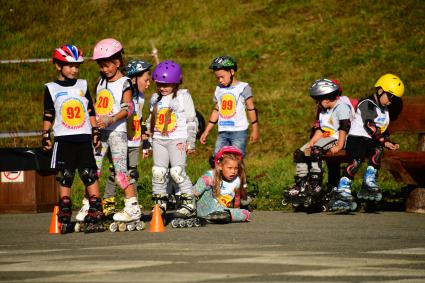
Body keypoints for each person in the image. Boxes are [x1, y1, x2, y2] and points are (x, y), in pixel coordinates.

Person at [42, 44, 103, 233]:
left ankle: (95, 212)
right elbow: (48, 113)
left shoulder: (82, 85)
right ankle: (65, 211)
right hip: (63, 138)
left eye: (77, 66)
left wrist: (95, 131)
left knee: (89, 174)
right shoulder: (51, 88)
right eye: (69, 65)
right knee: (66, 176)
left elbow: (91, 109)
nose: (74, 70)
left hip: (84, 137)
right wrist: (45, 134)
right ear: (58, 66)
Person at [330, 74, 405, 212]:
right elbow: (369, 125)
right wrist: (383, 141)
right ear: (381, 91)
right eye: (391, 97)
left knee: (378, 151)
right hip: (356, 138)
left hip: (370, 140)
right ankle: (342, 190)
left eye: (394, 99)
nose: (391, 102)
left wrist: (387, 141)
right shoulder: (367, 104)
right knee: (356, 162)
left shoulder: (384, 110)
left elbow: (382, 130)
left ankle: (368, 182)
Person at [91, 38, 142, 229]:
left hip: (117, 132)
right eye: (101, 66)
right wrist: (95, 127)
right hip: (101, 132)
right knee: (92, 170)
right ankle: (92, 205)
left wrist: (111, 119)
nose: (104, 69)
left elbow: (128, 109)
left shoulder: (125, 82)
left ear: (118, 62)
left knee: (120, 171)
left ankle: (132, 206)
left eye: (107, 66)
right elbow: (96, 105)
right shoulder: (100, 82)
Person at [283, 79, 355, 209]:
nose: (317, 104)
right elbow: (321, 130)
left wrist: (339, 145)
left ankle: (316, 185)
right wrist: (311, 142)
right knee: (299, 153)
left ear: (326, 99)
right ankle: (301, 185)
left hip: (338, 138)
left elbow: (344, 127)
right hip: (326, 137)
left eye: (318, 100)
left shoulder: (341, 107)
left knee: (316, 151)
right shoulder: (324, 111)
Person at [146, 60, 197, 221]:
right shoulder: (155, 98)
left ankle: (189, 202)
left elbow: (191, 120)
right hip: (159, 140)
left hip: (178, 140)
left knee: (177, 172)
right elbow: (150, 120)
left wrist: (191, 141)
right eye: (160, 84)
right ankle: (159, 203)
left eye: (167, 84)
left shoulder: (183, 96)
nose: (162, 87)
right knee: (158, 172)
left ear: (176, 83)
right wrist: (147, 141)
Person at [102, 59, 152, 218]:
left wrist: (145, 142)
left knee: (132, 173)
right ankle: (107, 202)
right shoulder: (125, 95)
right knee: (115, 171)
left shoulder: (142, 98)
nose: (149, 83)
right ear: (134, 79)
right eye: (146, 79)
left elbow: (141, 120)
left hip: (134, 141)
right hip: (121, 139)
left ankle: (132, 203)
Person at [200, 55, 259, 166]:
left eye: (222, 77)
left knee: (236, 161)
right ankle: (220, 182)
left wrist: (255, 129)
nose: (220, 80)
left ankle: (241, 183)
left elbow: (251, 109)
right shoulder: (219, 89)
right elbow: (217, 110)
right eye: (217, 78)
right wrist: (207, 130)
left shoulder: (243, 87)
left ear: (232, 72)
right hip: (223, 131)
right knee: (217, 160)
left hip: (239, 131)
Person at [194, 146, 251, 223]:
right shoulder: (210, 176)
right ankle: (189, 209)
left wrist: (236, 211)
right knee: (206, 179)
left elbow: (237, 201)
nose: (233, 172)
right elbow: (194, 193)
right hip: (205, 205)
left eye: (236, 168)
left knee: (245, 213)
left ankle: (218, 217)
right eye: (230, 168)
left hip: (220, 210)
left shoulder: (236, 181)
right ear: (220, 166)